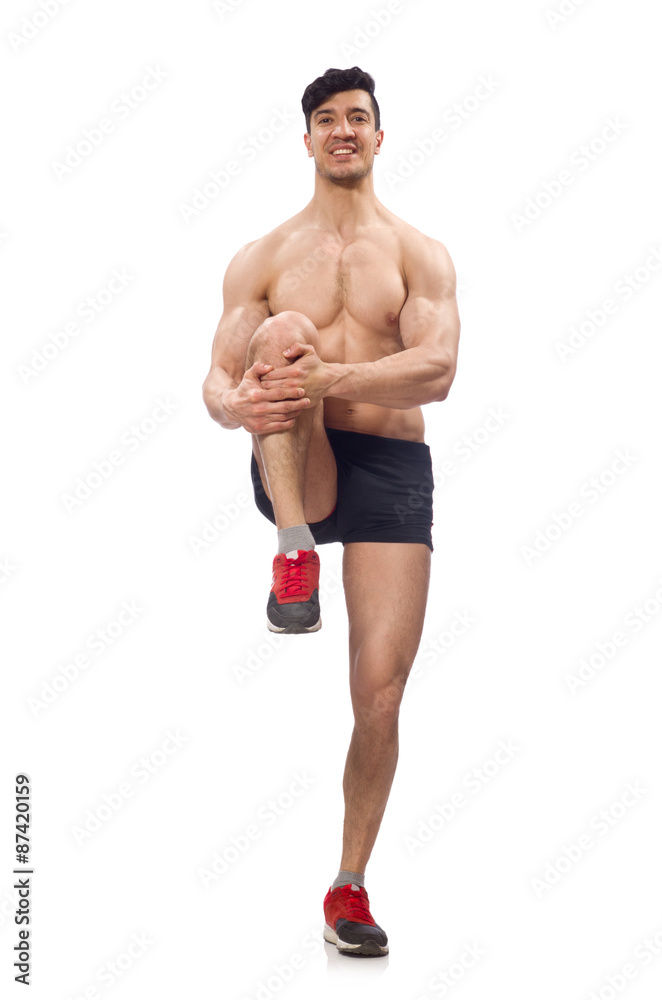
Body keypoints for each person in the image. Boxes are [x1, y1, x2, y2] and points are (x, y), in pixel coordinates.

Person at [202, 66, 460, 956]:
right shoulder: (264, 257)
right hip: (297, 463)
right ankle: (293, 551)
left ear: (380, 139)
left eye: (358, 117)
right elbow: (216, 381)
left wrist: (339, 378)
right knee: (281, 335)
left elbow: (438, 370)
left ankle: (348, 886)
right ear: (306, 141)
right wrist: (236, 405)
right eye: (326, 119)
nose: (342, 129)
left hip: (392, 463)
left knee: (380, 695)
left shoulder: (418, 253)